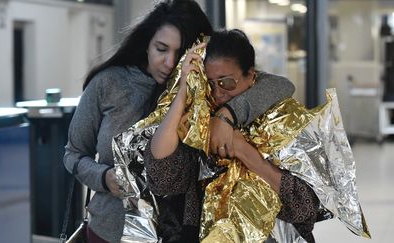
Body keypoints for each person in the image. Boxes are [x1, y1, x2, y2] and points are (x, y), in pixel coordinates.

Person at [144, 29, 320, 243]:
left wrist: (243, 149)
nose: (218, 93)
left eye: (226, 83)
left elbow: (305, 207)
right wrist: (183, 91)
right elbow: (163, 179)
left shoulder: (282, 119)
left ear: (251, 76)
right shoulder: (200, 123)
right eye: (210, 83)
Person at [63, 1, 213, 242]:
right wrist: (104, 177)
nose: (169, 63)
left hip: (181, 232)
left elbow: (275, 86)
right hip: (111, 229)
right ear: (146, 44)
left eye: (180, 53)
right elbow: (73, 154)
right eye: (161, 49)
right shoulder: (108, 83)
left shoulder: (206, 89)